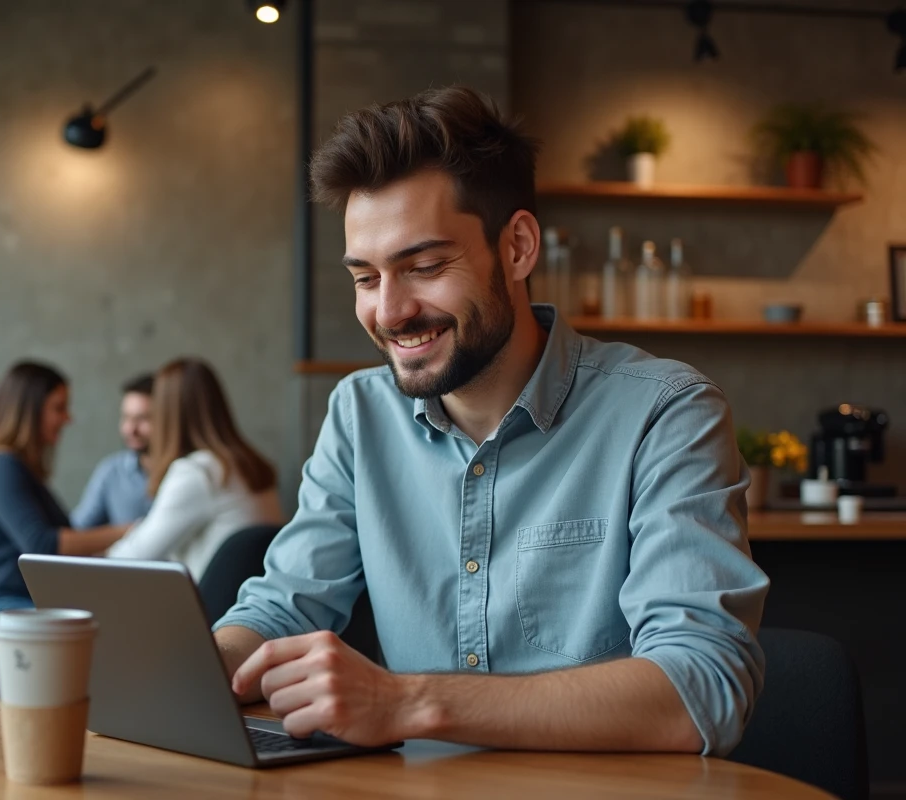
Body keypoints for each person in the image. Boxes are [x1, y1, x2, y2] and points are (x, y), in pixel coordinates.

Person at [213, 87, 770, 756]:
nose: (389, 312)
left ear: (518, 248)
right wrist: (190, 669)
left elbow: (700, 691)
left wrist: (408, 702)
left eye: (423, 267)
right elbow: (280, 611)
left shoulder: (665, 411)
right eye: (365, 278)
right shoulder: (360, 414)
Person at [0, 361, 129, 616]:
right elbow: (42, 544)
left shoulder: (15, 468)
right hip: (6, 607)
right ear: (29, 410)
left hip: (19, 606)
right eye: (58, 408)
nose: (67, 418)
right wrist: (128, 531)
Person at [107, 357, 283, 579]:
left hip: (208, 611)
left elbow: (129, 559)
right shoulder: (249, 464)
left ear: (165, 414)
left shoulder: (197, 473)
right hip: (253, 608)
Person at [70, 374, 155, 529]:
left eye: (142, 419)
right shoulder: (112, 471)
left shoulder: (187, 473)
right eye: (126, 417)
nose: (130, 429)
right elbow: (77, 531)